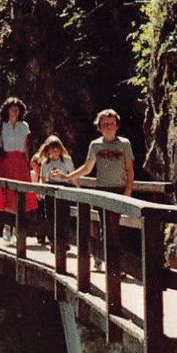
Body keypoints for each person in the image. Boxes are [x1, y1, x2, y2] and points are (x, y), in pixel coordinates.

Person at [54, 109, 134, 267]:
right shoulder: (95, 145)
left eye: (111, 124)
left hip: (120, 190)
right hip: (103, 190)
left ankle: (112, 262)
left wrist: (128, 192)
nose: (108, 127)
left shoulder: (124, 144)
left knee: (117, 228)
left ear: (117, 126)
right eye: (104, 124)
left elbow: (130, 169)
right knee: (106, 226)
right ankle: (106, 259)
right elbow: (87, 168)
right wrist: (67, 177)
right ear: (99, 127)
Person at [0, 97, 38, 243]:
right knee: (8, 195)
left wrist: (28, 165)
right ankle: (7, 227)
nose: (14, 111)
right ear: (6, 109)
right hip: (5, 162)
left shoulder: (24, 126)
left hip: (20, 162)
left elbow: (26, 147)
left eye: (17, 108)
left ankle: (17, 230)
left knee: (21, 196)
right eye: (12, 108)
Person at [30, 134, 75, 247]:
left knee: (64, 216)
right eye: (52, 147)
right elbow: (44, 178)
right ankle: (54, 241)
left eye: (57, 147)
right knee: (51, 216)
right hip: (50, 189)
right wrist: (41, 192)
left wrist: (78, 188)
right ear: (48, 149)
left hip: (64, 188)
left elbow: (73, 175)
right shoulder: (45, 162)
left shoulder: (66, 161)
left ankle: (64, 241)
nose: (55, 150)